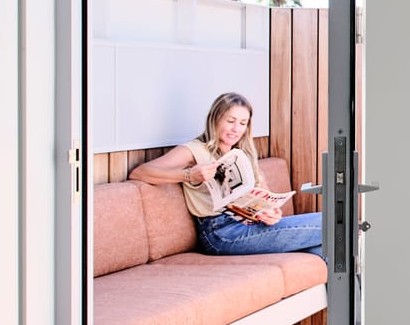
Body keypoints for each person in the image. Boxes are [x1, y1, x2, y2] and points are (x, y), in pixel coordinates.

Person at [129, 91, 323, 259]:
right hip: (221, 234)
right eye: (230, 121)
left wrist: (270, 213)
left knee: (323, 248)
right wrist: (188, 175)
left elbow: (264, 198)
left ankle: (342, 297)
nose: (236, 129)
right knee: (331, 222)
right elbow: (140, 173)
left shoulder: (244, 154)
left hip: (251, 225)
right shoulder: (194, 150)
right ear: (216, 119)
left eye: (242, 123)